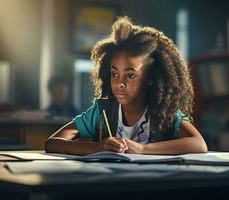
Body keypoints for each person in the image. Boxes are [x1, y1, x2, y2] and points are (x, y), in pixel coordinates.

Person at [45, 16, 207, 155]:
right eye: (114, 74)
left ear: (150, 77)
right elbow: (52, 143)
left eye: (130, 75)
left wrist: (143, 149)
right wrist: (97, 147)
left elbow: (199, 144)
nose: (119, 83)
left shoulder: (164, 112)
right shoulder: (101, 112)